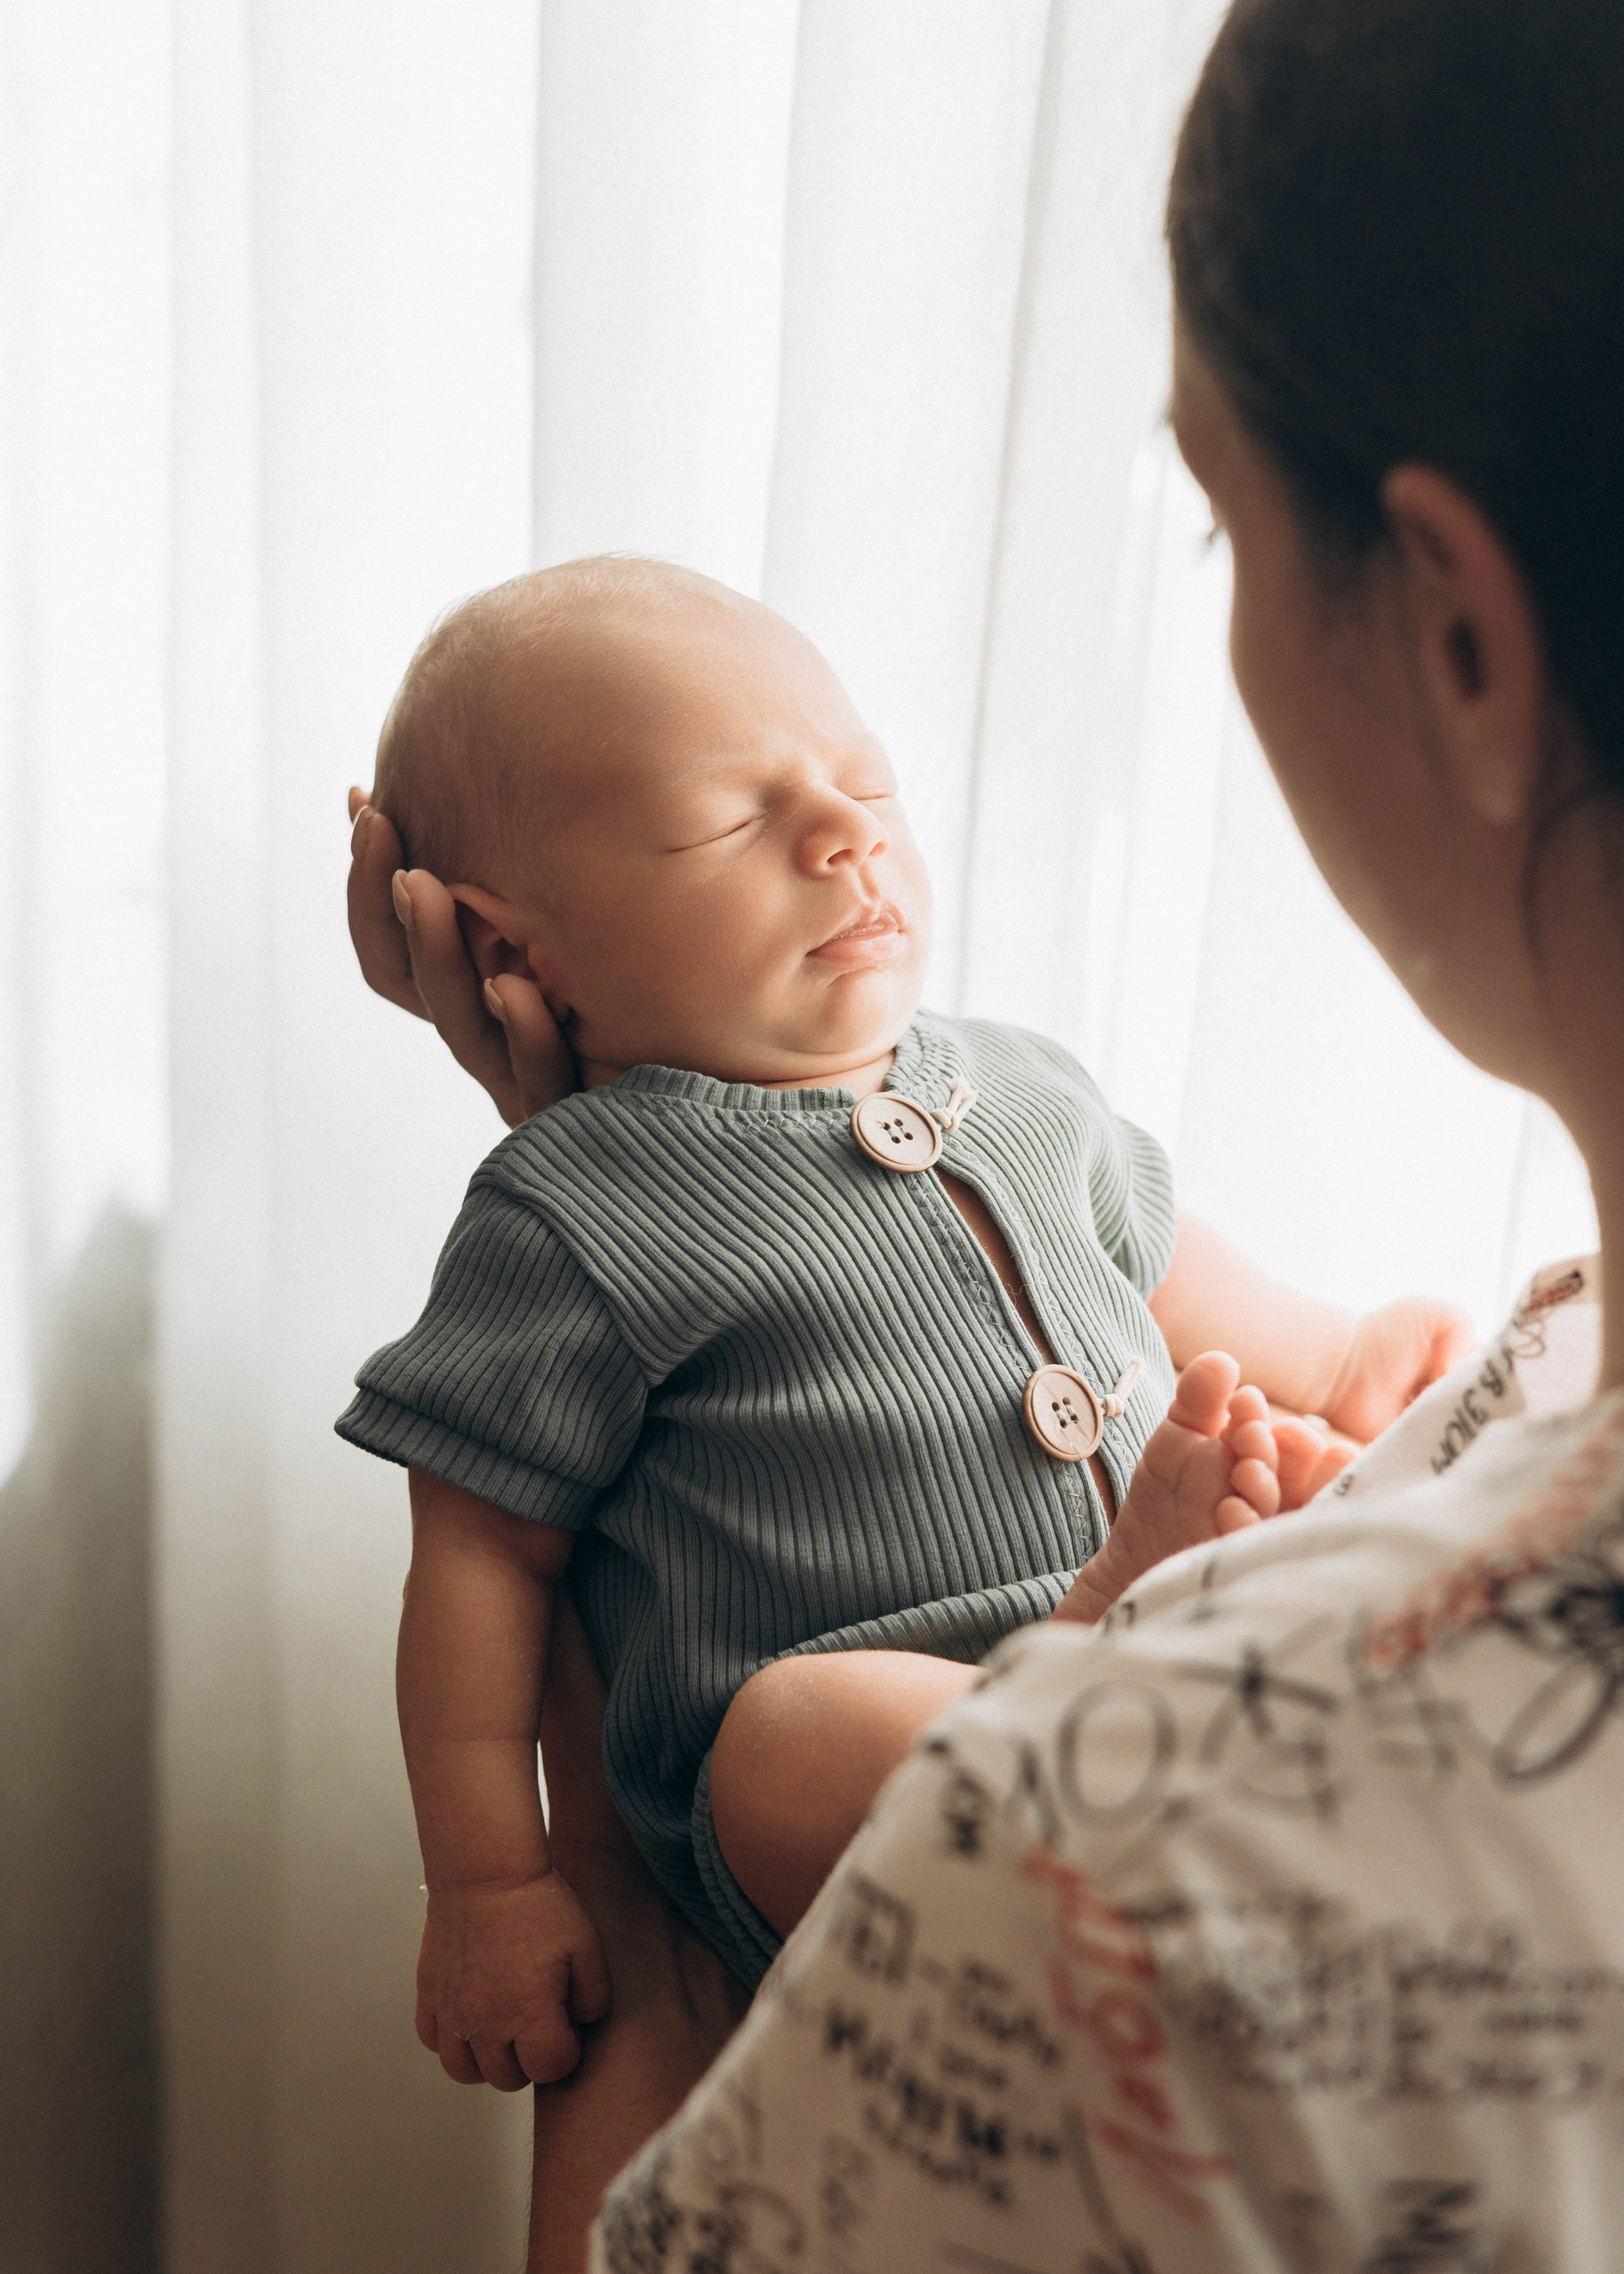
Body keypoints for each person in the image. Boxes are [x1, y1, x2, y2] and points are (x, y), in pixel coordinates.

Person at [563, 0, 1624, 2262]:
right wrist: (653, 1153)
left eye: (1223, 526)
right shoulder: (1537, 1365)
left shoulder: (1071, 1880)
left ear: (1459, 634)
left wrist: (600, 1878)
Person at [336, 555, 1467, 2075]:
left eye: (865, 785)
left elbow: (1151, 1261)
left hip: (1180, 1705)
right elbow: (477, 1556)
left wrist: (1340, 1361)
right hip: (885, 1779)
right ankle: (1085, 1665)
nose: (846, 832)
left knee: (1331, 1520)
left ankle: (1214, 1721)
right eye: (727, 820)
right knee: (784, 1741)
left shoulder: (1018, 1080)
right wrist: (487, 1883)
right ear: (509, 951)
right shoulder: (572, 1207)